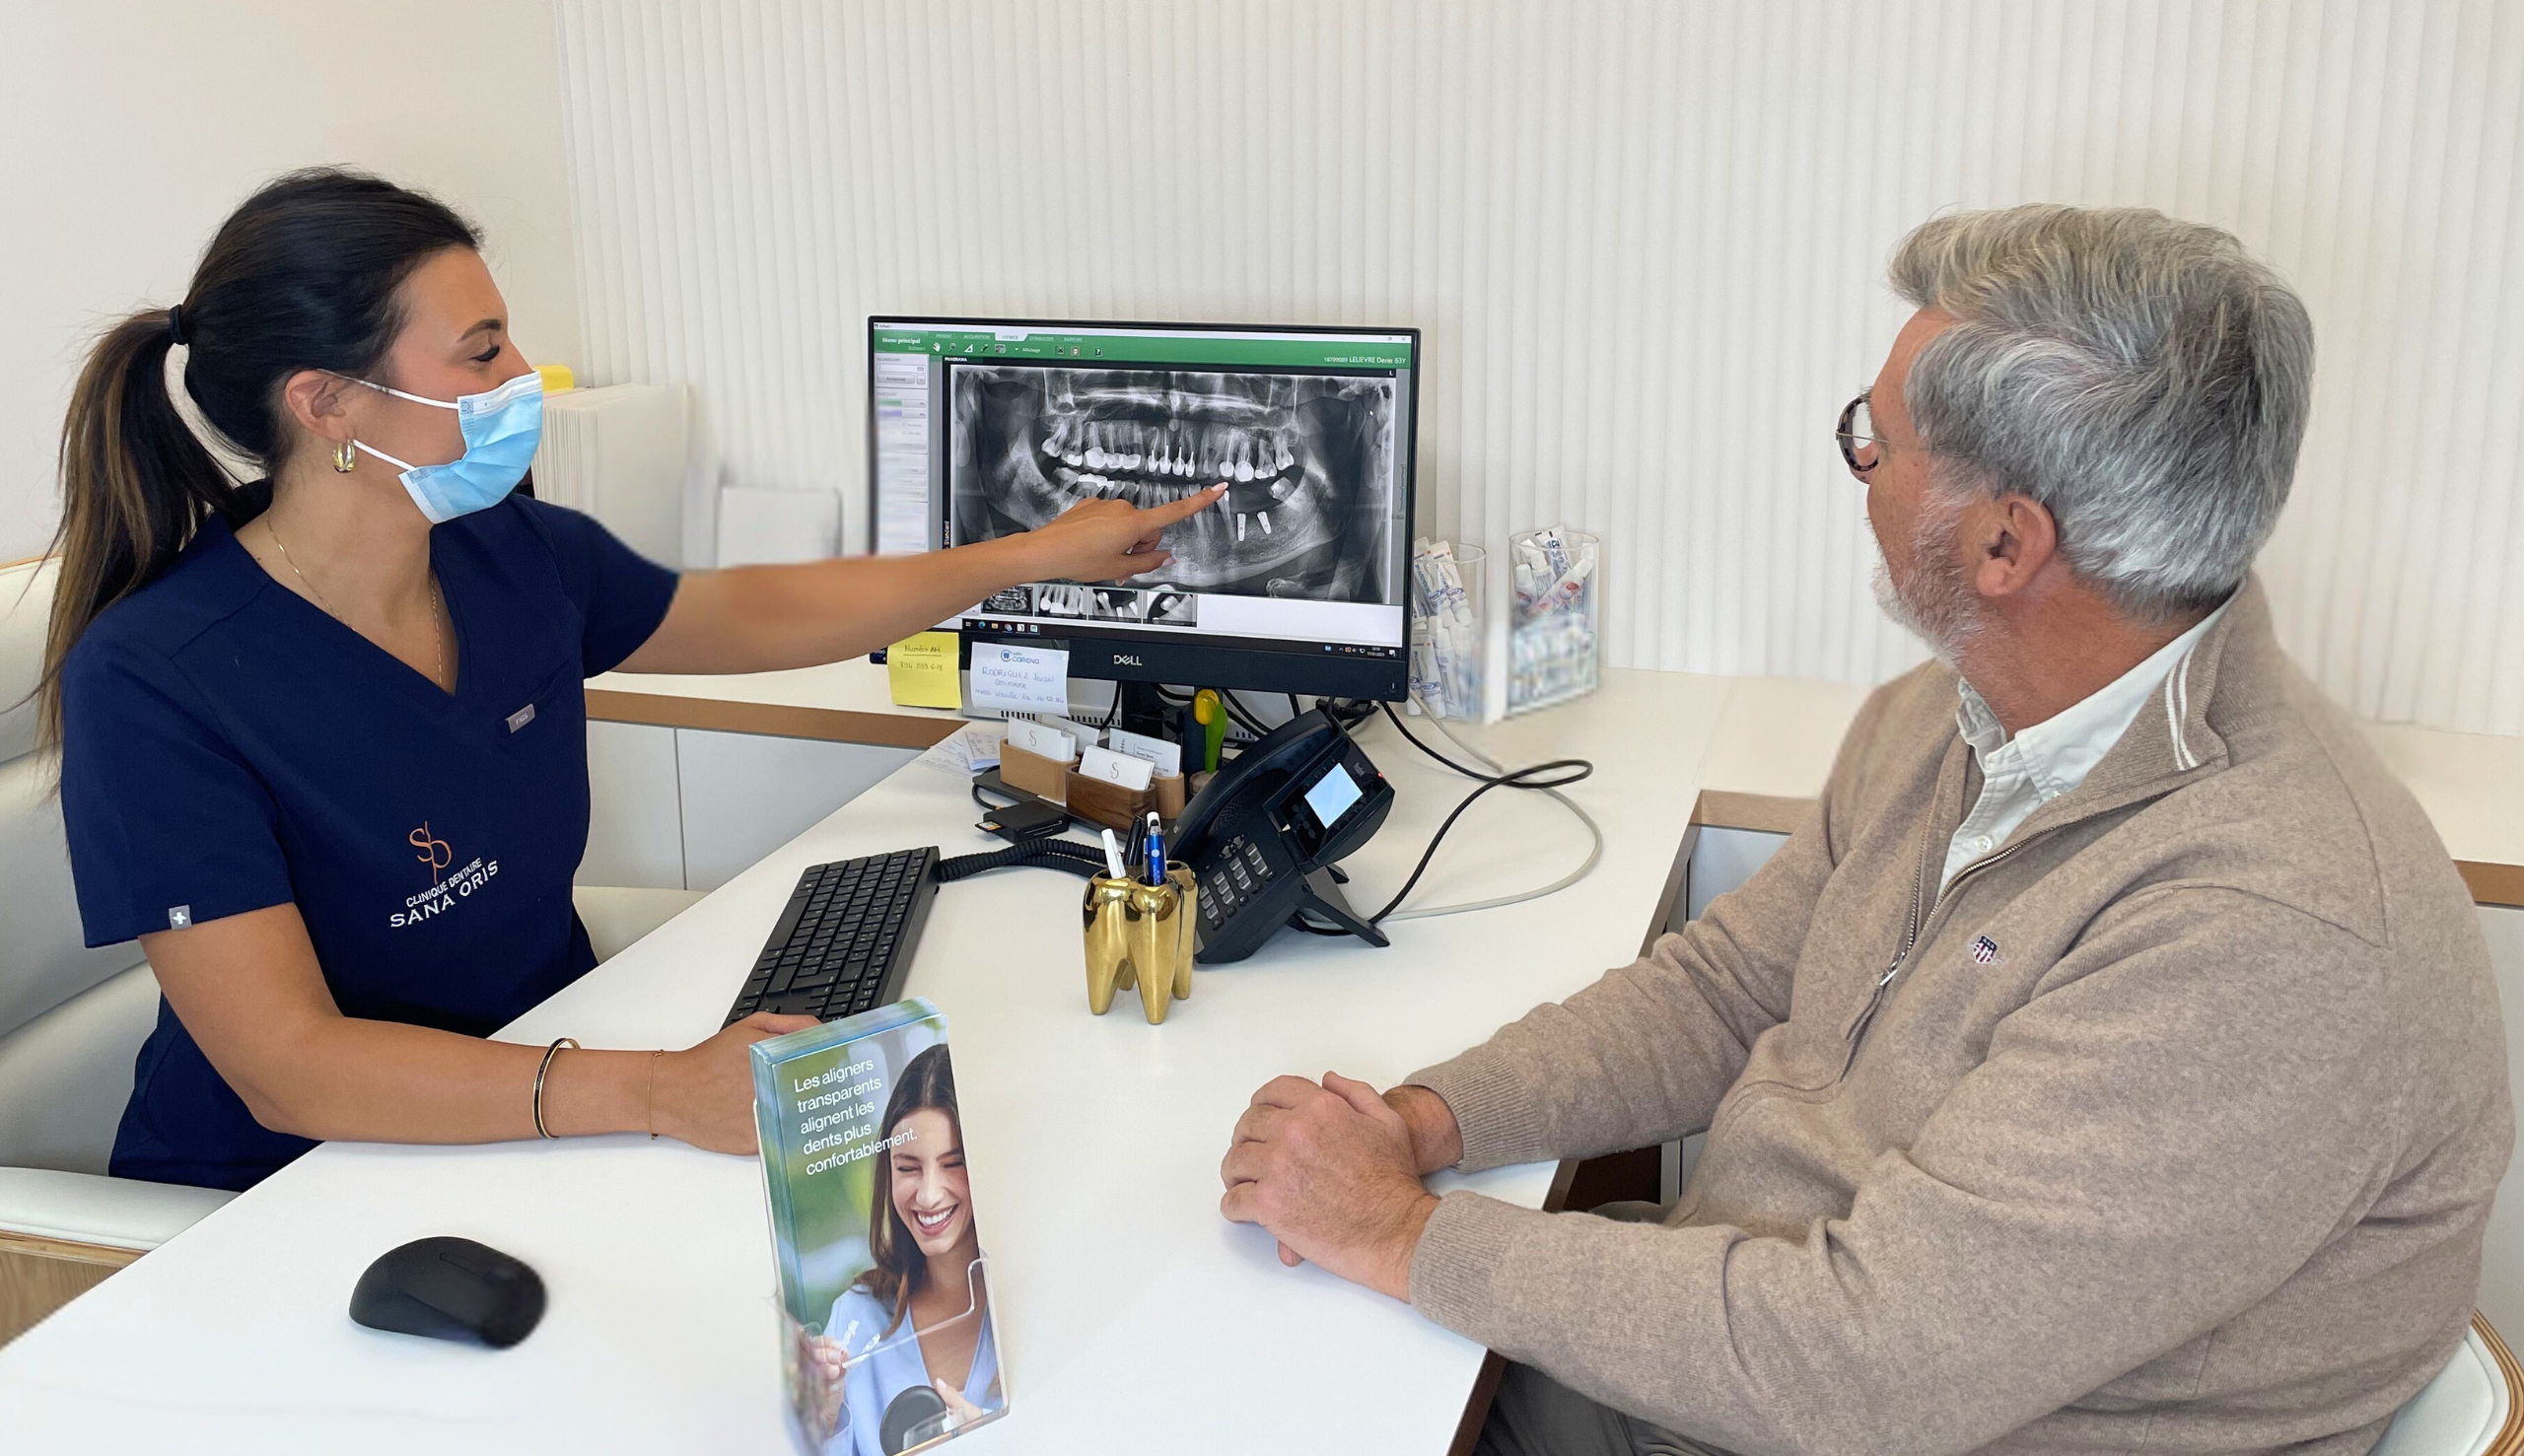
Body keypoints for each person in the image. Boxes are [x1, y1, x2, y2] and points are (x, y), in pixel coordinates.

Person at [1218, 205, 2514, 1456]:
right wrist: (1426, 1124)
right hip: (1763, 1346)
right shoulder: (1964, 713)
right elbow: (1732, 989)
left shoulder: (2264, 936)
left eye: (1874, 441)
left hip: (1830, 1401)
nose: (1862, 471)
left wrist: (1401, 1236)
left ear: (2005, 541)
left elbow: (1861, 1365)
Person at [41, 169, 1226, 1192]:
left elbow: (752, 613)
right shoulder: (156, 680)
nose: (524, 377)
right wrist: (660, 1092)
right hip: (290, 1193)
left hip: (544, 1098)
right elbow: (287, 1068)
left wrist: (1033, 555)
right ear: (327, 402)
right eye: (481, 353)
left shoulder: (508, 555)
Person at [807, 1045, 1000, 1454]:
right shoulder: (856, 1318)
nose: (928, 1196)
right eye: (908, 1168)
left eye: (953, 1163)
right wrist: (824, 1425)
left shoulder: (1029, 1306)